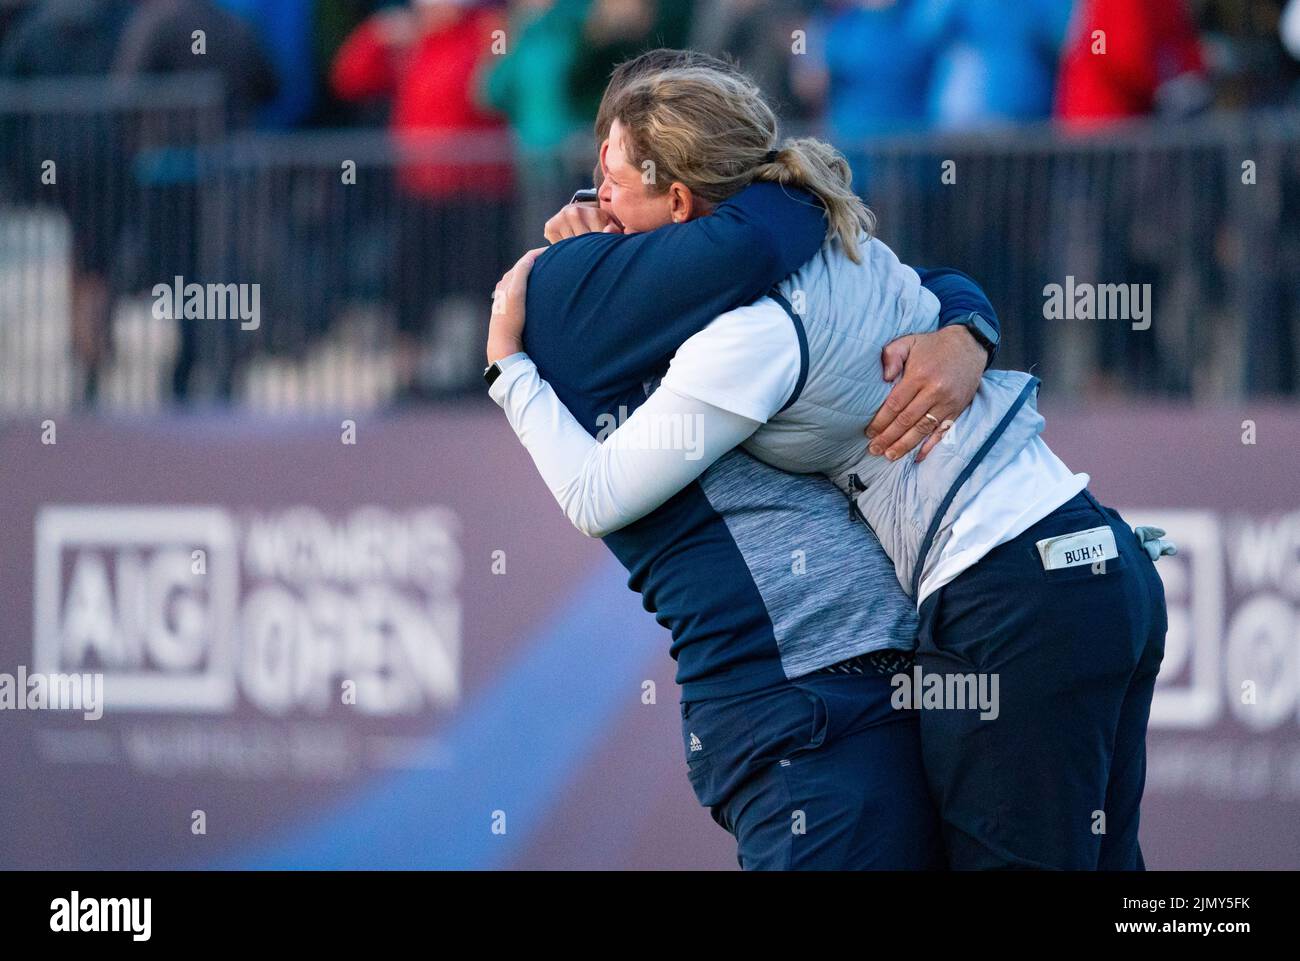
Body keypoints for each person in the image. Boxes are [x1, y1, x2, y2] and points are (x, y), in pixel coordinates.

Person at [487, 61, 1171, 869]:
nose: (591, 202)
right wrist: (971, 325)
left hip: (1005, 589)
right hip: (1100, 560)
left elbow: (598, 492)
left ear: (678, 203)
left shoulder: (751, 334)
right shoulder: (839, 239)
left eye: (608, 182)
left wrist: (509, 369)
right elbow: (934, 284)